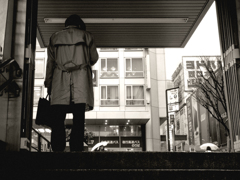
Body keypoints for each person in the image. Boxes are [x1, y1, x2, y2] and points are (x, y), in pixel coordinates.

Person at [44, 14, 99, 152]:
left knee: (58, 119)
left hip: (59, 81)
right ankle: (76, 149)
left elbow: (50, 63)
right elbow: (93, 58)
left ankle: (57, 149)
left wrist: (48, 83)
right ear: (79, 24)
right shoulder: (87, 36)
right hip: (80, 82)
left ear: (66, 24)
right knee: (78, 119)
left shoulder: (55, 37)